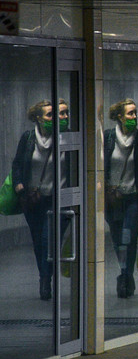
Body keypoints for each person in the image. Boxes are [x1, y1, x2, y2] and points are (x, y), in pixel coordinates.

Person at [13, 99, 70, 300]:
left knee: (49, 240)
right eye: (50, 115)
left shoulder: (67, 139)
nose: (58, 119)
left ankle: (46, 280)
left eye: (63, 114)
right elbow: (18, 164)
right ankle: (43, 276)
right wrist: (19, 186)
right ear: (38, 118)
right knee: (39, 242)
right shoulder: (28, 139)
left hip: (58, 200)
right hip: (34, 200)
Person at [103, 98, 138, 298]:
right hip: (113, 199)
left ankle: (125, 276)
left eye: (135, 113)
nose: (135, 117)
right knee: (117, 240)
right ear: (119, 116)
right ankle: (125, 272)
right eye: (130, 113)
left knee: (128, 236)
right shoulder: (107, 139)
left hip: (135, 198)